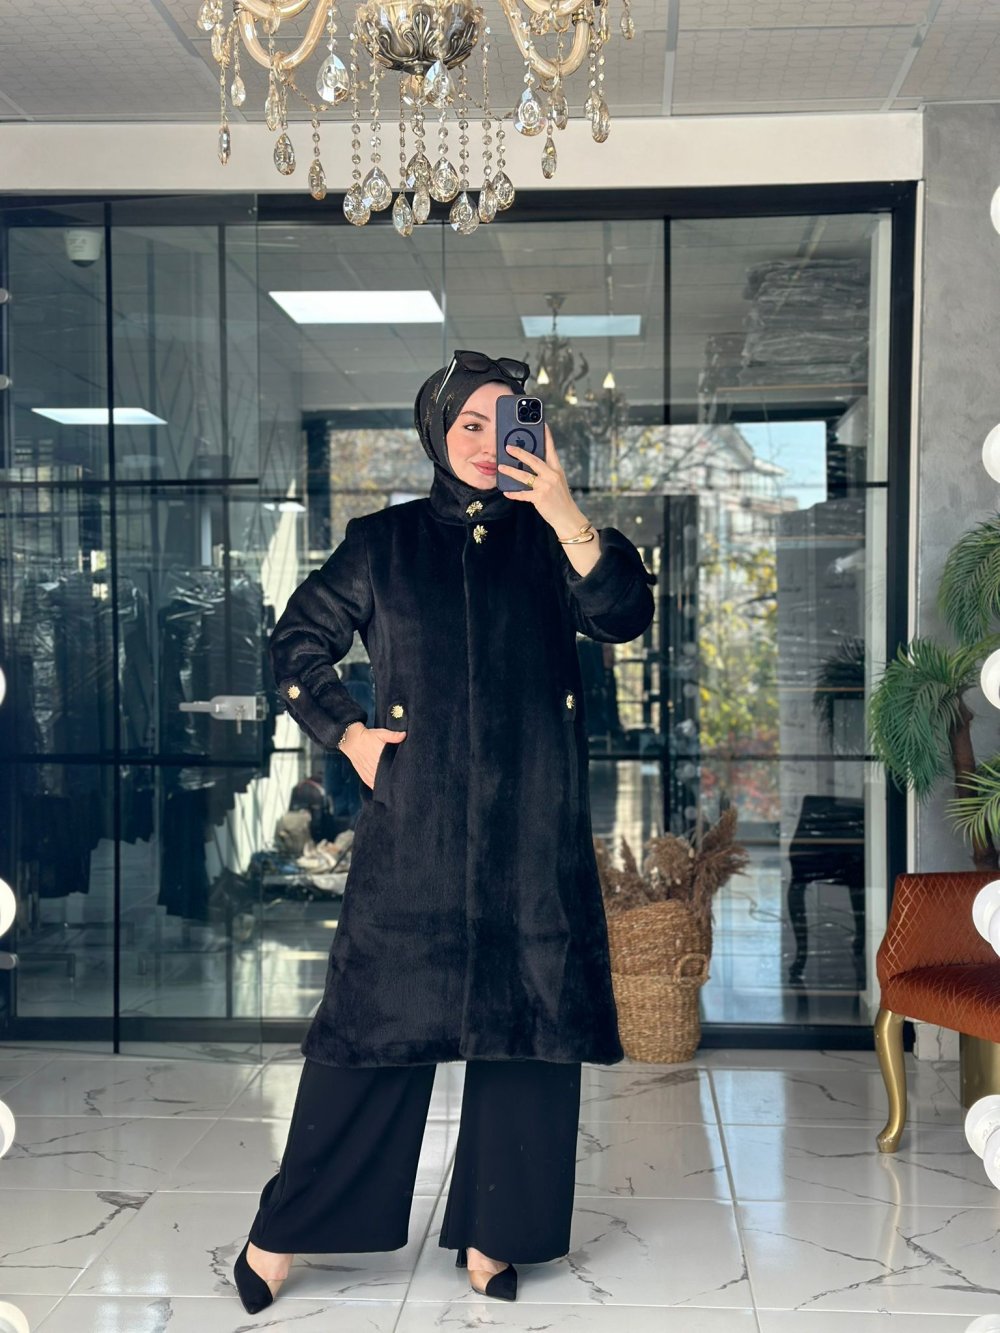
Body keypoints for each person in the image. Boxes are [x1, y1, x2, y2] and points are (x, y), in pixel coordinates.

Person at [233, 349, 657, 1314]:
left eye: (505, 422)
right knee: (369, 1032)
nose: (485, 440)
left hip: (531, 836)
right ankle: (286, 1228)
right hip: (415, 836)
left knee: (529, 1035)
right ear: (435, 430)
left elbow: (625, 614)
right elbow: (295, 642)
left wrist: (565, 510)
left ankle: (496, 1232)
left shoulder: (555, 538)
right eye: (468, 422)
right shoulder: (382, 543)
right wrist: (350, 734)